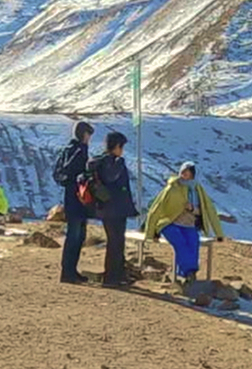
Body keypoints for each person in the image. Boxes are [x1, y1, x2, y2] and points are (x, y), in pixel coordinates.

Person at [144, 161, 223, 285]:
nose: (184, 175)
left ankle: (184, 274)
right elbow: (157, 208)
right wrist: (151, 232)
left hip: (189, 225)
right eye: (182, 172)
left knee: (193, 245)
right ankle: (189, 272)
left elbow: (208, 210)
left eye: (187, 173)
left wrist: (219, 233)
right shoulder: (172, 188)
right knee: (180, 244)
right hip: (170, 224)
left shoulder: (197, 190)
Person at [88, 131, 137, 288]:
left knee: (115, 242)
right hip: (114, 209)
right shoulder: (112, 162)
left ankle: (116, 275)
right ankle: (112, 277)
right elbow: (111, 178)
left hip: (105, 208)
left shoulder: (99, 161)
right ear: (116, 146)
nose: (122, 150)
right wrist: (119, 162)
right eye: (121, 147)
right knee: (116, 242)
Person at [53, 121, 94, 284]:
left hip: (69, 197)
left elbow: (59, 174)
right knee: (76, 235)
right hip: (78, 198)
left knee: (75, 234)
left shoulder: (66, 150)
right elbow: (77, 173)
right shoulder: (80, 150)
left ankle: (69, 270)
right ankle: (69, 271)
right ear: (84, 135)